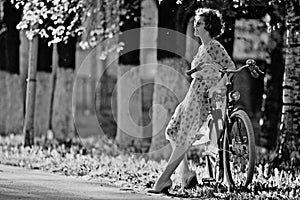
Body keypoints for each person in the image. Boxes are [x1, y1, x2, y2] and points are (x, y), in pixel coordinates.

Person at [148, 8, 236, 194]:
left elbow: (230, 68)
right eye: (196, 22)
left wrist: (217, 87)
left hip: (203, 97)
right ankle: (186, 173)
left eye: (200, 23)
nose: (195, 25)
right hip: (192, 94)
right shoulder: (202, 48)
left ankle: (163, 180)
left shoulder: (214, 46)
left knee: (184, 138)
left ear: (209, 26)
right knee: (172, 130)